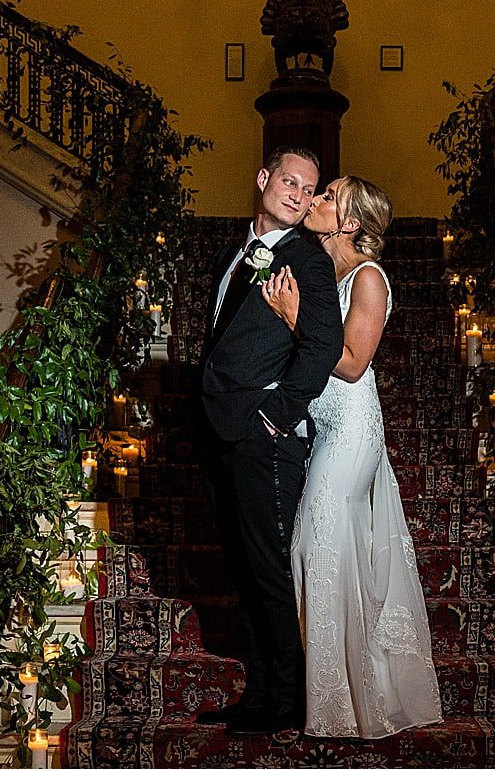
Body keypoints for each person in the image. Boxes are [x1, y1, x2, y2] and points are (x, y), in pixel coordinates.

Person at [260, 175, 444, 739]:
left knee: (316, 544)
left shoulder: (368, 277)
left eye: (328, 195)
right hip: (322, 425)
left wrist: (294, 320)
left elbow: (353, 361)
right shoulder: (324, 269)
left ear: (350, 222)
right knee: (316, 550)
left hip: (353, 428)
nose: (315, 200)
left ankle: (340, 706)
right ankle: (330, 693)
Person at [194, 146, 345, 739]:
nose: (298, 195)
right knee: (241, 566)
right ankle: (259, 692)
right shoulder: (232, 256)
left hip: (263, 437)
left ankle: (288, 696)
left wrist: (275, 419)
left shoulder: (307, 263)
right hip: (217, 432)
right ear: (263, 179)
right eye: (289, 181)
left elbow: (322, 349)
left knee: (268, 570)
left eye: (309, 190)